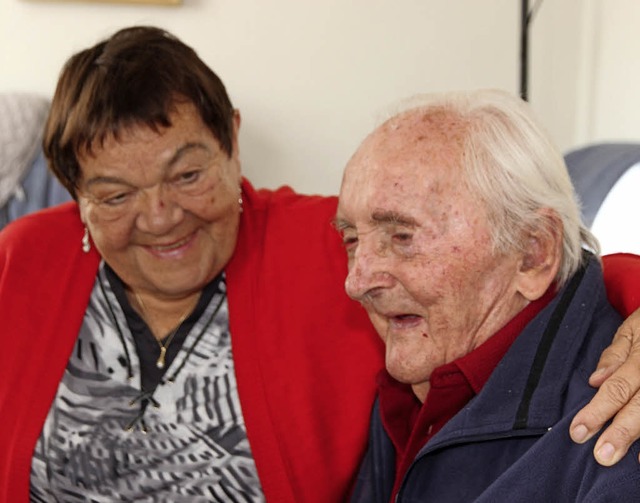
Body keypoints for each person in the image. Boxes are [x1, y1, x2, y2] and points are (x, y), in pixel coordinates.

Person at [0, 26, 639, 503]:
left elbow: (519, 256)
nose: (161, 216)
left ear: (232, 142)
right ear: (73, 193)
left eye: (188, 174)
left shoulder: (328, 239)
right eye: (113, 195)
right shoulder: (24, 258)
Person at [339, 89, 640, 502]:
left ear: (532, 254)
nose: (356, 282)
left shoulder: (619, 434)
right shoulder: (417, 368)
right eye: (351, 239)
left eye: (402, 236)